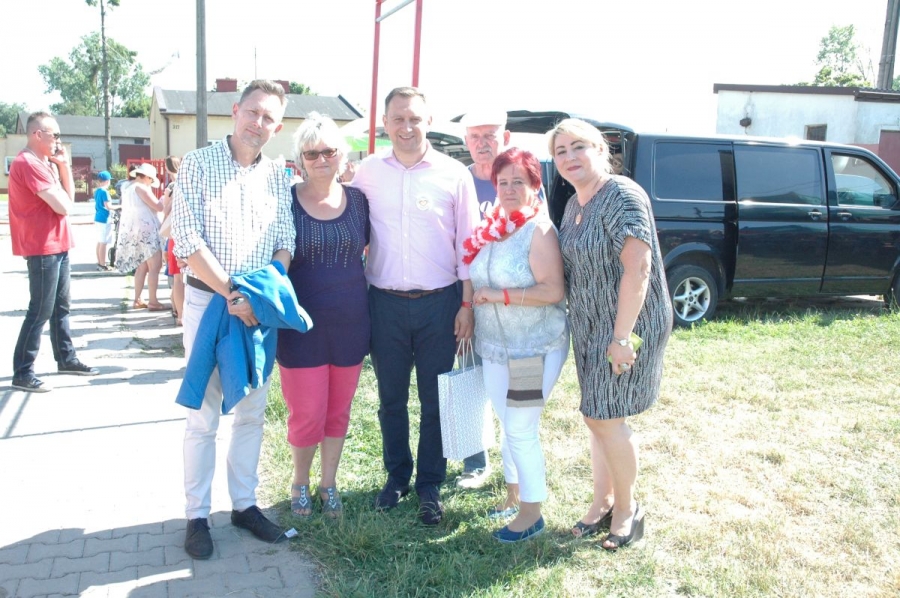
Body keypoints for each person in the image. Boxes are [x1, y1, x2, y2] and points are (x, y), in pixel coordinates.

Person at [171, 79, 295, 559]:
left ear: (277, 127)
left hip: (256, 311)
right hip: (209, 303)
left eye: (269, 118)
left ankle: (244, 506)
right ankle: (197, 516)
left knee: (251, 412)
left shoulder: (278, 174)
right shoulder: (198, 164)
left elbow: (286, 242)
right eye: (253, 112)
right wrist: (233, 292)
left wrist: (257, 297)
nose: (258, 123)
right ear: (235, 109)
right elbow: (187, 239)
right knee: (203, 416)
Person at [351, 87, 479, 525]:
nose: (407, 127)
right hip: (383, 303)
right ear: (385, 123)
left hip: (440, 304)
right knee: (390, 399)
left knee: (435, 399)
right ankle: (396, 477)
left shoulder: (453, 174)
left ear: (429, 122)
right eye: (398, 119)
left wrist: (467, 304)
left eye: (415, 119)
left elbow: (468, 245)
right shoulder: (368, 172)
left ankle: (429, 483)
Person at [550, 118, 673, 551]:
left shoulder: (621, 194)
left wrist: (621, 338)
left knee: (606, 417)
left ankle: (627, 510)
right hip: (589, 323)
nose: (569, 157)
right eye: (560, 151)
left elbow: (638, 268)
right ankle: (602, 500)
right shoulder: (573, 202)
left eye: (578, 146)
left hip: (626, 323)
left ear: (601, 150)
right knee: (596, 415)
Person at [466, 148, 569, 543]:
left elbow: (553, 290)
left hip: (532, 349)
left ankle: (532, 513)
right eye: (503, 182)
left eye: (518, 182)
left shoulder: (538, 231)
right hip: (494, 347)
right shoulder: (494, 225)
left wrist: (500, 296)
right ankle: (513, 493)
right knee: (506, 421)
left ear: (534, 186)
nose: (509, 189)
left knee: (520, 426)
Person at [276, 114, 369, 518]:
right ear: (300, 159)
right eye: (311, 153)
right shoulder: (285, 201)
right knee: (307, 412)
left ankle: (329, 483)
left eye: (328, 151)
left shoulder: (359, 201)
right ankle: (300, 481)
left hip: (351, 323)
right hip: (301, 328)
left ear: (341, 155)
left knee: (338, 411)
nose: (320, 159)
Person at [8, 112, 99, 392]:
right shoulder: (28, 163)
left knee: (61, 307)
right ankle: (23, 372)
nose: (58, 140)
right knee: (40, 310)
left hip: (56, 244)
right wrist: (60, 171)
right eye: (55, 135)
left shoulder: (43, 163)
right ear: (38, 135)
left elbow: (68, 200)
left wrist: (64, 165)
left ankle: (66, 359)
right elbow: (64, 206)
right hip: (42, 246)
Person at [451, 108, 515, 490]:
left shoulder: (519, 179)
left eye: (490, 135)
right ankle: (475, 462)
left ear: (505, 137)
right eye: (475, 137)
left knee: (515, 385)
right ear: (466, 142)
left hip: (512, 303)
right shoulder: (457, 180)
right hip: (467, 297)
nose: (482, 143)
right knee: (469, 375)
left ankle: (518, 457)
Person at [114, 163, 167, 311]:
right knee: (155, 266)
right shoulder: (141, 188)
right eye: (151, 179)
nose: (151, 182)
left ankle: (137, 299)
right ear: (147, 177)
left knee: (141, 267)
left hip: (134, 231)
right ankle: (153, 301)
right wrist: (164, 199)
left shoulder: (127, 187)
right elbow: (158, 207)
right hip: (147, 231)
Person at [161, 156, 184, 325]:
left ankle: (180, 315)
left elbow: (166, 211)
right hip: (183, 236)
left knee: (178, 280)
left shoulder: (173, 187)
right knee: (184, 280)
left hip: (175, 236)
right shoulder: (185, 186)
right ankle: (181, 315)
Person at [93, 170, 117, 271]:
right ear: (107, 181)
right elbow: (108, 206)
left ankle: (99, 262)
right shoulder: (105, 192)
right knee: (103, 242)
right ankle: (102, 265)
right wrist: (120, 206)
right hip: (104, 218)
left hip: (98, 217)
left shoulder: (97, 191)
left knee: (100, 241)